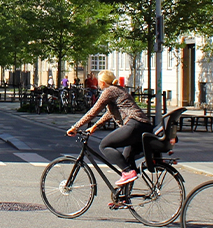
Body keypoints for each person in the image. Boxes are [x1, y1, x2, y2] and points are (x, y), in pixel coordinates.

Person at [66, 70, 154, 205]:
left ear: (102, 82)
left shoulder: (109, 91)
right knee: (126, 159)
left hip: (134, 125)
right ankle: (124, 198)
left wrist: (76, 127)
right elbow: (109, 113)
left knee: (104, 145)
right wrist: (95, 127)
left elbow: (93, 111)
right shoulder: (117, 90)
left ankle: (128, 173)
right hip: (143, 126)